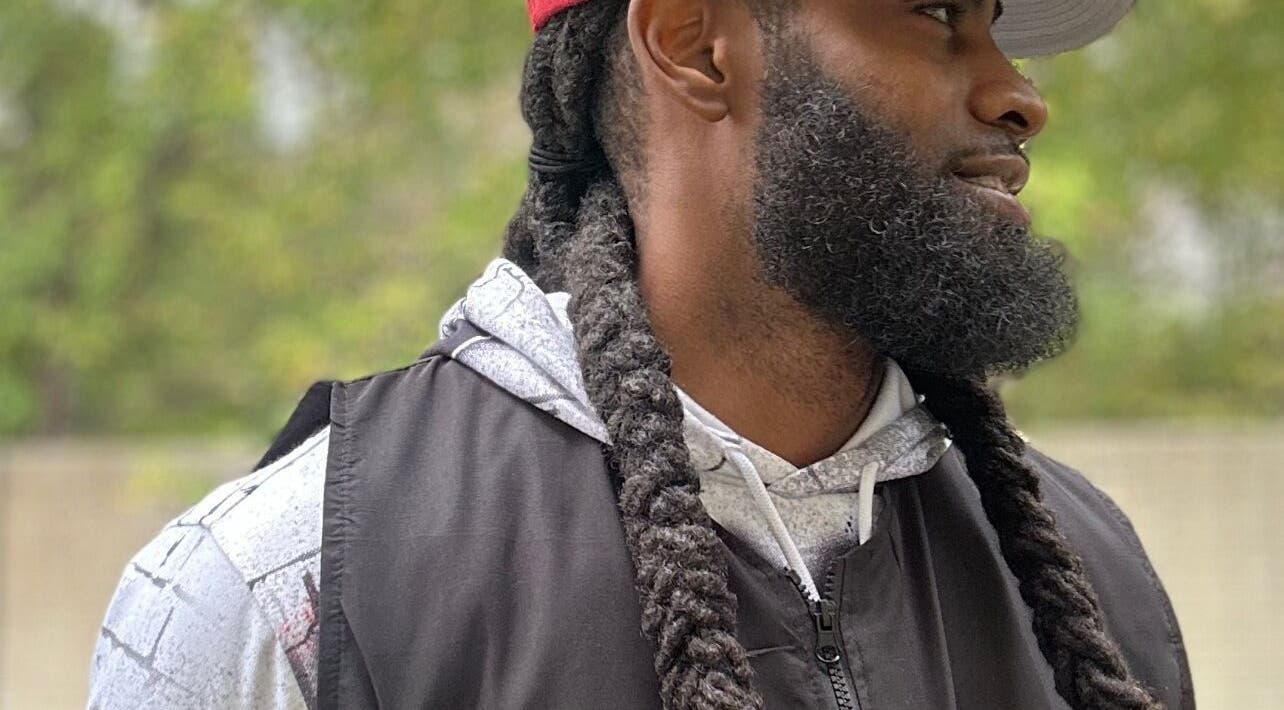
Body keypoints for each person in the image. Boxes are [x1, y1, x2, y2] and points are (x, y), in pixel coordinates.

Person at [88, 0, 1195, 708]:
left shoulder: (1097, 578)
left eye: (997, 24)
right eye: (937, 11)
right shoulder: (301, 584)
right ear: (694, 43)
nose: (1018, 95)